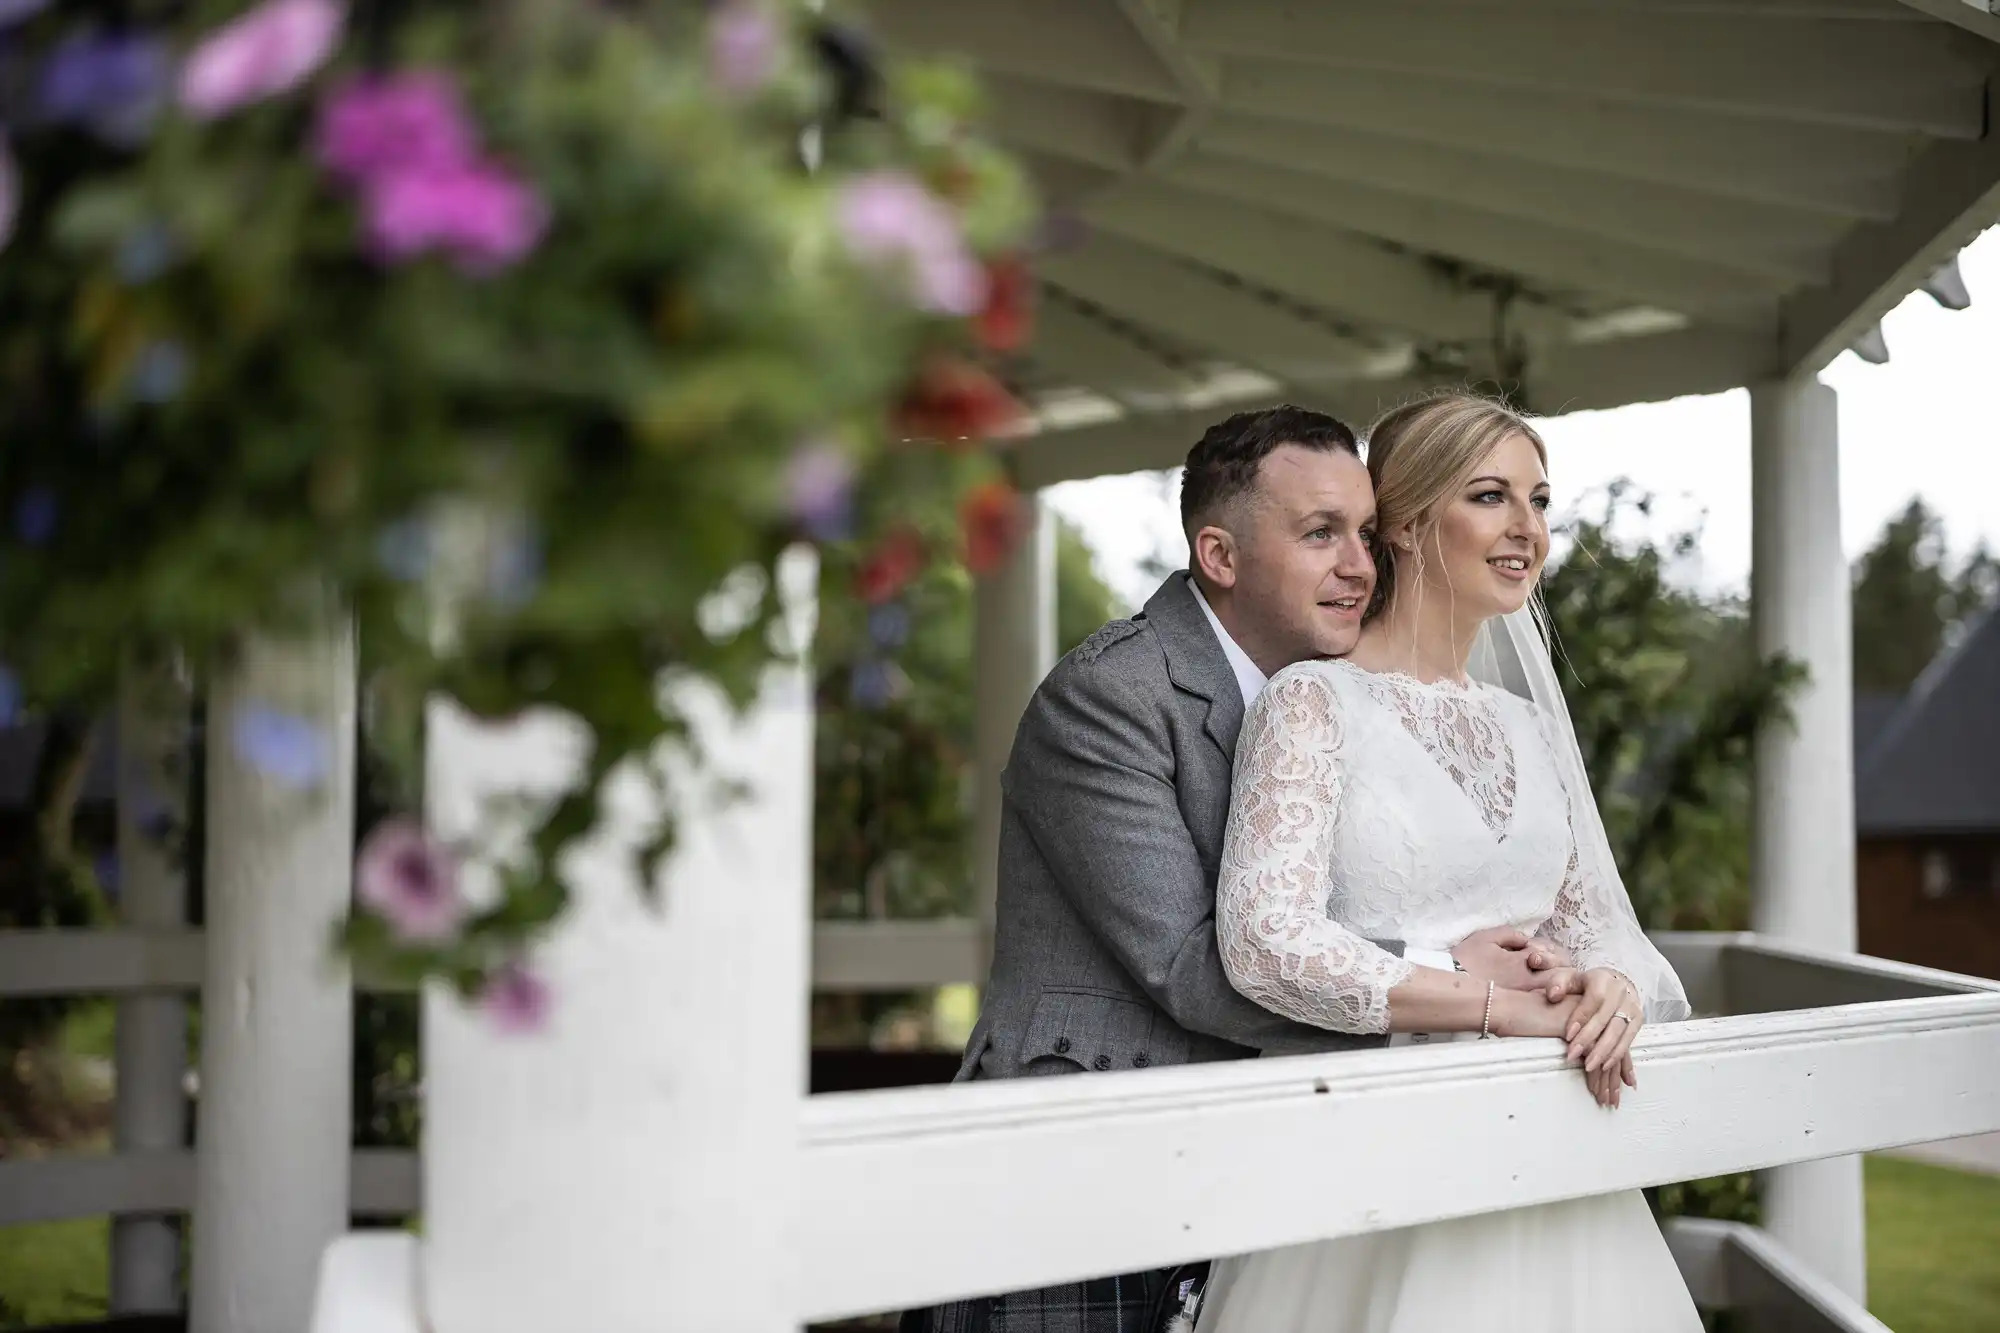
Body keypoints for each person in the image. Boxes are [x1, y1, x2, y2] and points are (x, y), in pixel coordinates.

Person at [901, 405, 1580, 1333]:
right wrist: (1458, 973)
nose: (1359, 565)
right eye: (1320, 534)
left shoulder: (1334, 701)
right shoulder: (1108, 699)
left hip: (1250, 1163)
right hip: (1082, 1159)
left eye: (1365, 533)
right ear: (1219, 557)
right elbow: (1192, 965)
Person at [1194, 393, 1699, 1333]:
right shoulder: (1313, 704)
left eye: (1541, 500)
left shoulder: (1531, 726)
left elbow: (1601, 925)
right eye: (1492, 496)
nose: (1528, 529)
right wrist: (1486, 999)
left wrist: (1610, 992)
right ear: (1412, 522)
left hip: (1556, 1151)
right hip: (1380, 1157)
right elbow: (1266, 940)